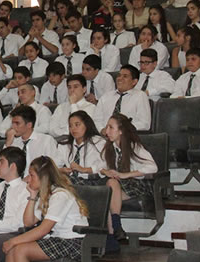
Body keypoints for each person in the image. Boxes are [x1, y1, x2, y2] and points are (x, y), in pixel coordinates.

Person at [0, 155, 89, 262]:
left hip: (72, 242)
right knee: (13, 249)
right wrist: (32, 196)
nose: (28, 178)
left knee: (19, 250)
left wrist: (13, 240)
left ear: (43, 177)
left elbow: (44, 229)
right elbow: (29, 222)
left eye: (32, 175)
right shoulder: (46, 194)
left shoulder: (60, 195)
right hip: (57, 240)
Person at [101, 114, 157, 251]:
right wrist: (105, 171)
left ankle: (112, 235)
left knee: (110, 188)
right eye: (107, 127)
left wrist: (126, 174)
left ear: (121, 131)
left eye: (111, 127)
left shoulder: (134, 147)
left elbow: (153, 167)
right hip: (119, 188)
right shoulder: (109, 148)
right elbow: (99, 167)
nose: (107, 131)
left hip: (136, 186)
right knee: (108, 190)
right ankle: (116, 229)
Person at [94, 65, 151, 132]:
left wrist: (121, 128)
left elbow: (144, 124)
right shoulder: (106, 96)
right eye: (119, 75)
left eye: (125, 76)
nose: (120, 78)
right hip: (104, 135)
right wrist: (101, 129)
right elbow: (96, 120)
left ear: (134, 81)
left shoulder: (140, 96)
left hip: (126, 135)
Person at [58, 111, 107, 185]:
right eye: (70, 126)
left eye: (77, 125)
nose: (73, 129)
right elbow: (54, 165)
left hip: (92, 181)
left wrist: (84, 170)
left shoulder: (98, 142)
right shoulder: (64, 145)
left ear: (86, 125)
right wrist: (61, 170)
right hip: (70, 181)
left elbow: (106, 164)